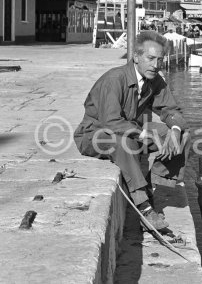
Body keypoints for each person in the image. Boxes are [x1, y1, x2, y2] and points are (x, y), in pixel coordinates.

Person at [73, 31, 190, 231]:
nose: (156, 64)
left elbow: (171, 110)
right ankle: (144, 207)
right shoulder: (114, 79)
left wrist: (176, 131)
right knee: (123, 141)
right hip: (96, 134)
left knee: (184, 135)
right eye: (150, 58)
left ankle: (152, 185)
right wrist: (144, 134)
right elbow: (111, 122)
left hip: (130, 131)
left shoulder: (154, 79)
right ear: (136, 57)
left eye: (159, 59)